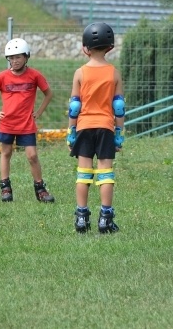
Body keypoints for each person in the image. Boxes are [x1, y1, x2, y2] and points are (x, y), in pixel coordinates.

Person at [67, 22, 125, 234]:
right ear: (110, 47)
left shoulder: (80, 73)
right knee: (105, 173)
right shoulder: (114, 73)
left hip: (84, 127)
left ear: (85, 48)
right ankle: (105, 219)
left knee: (83, 173)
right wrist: (118, 135)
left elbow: (74, 107)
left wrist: (71, 133)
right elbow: (119, 108)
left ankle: (82, 217)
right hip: (105, 128)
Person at [0, 38, 55, 203]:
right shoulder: (2, 77)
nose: (14, 61)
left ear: (26, 57)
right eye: (11, 58)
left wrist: (39, 112)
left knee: (32, 156)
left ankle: (40, 189)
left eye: (18, 57)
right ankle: (5, 188)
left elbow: (48, 93)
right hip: (7, 123)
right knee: (6, 153)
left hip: (26, 124)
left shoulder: (35, 75)